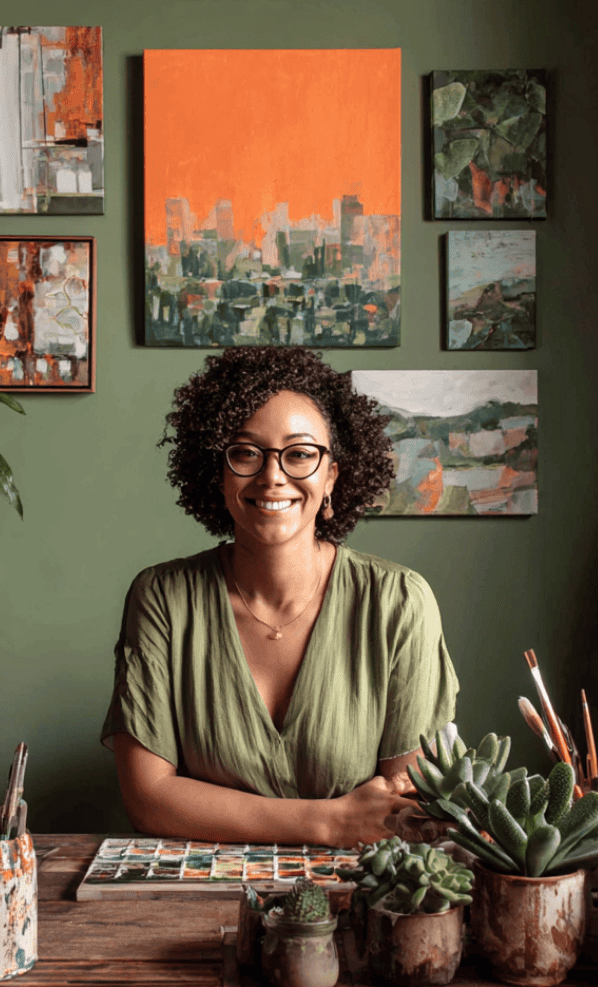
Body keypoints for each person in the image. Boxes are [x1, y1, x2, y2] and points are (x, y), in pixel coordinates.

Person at [101, 346, 459, 846]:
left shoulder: (399, 604)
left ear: (332, 474)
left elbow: (402, 810)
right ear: (219, 474)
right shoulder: (163, 598)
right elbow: (147, 798)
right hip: (195, 898)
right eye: (246, 452)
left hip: (360, 899)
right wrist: (330, 821)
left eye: (300, 453)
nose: (273, 475)